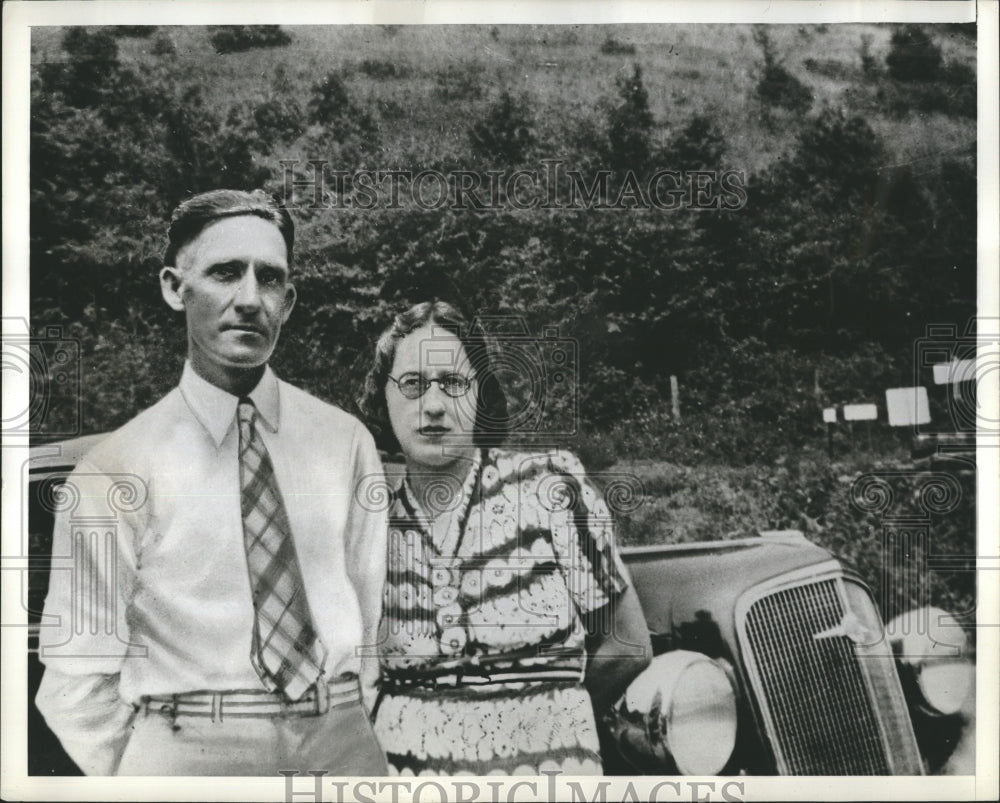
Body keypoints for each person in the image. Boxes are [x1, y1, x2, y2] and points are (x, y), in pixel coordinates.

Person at [35, 189, 388, 776]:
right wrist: (156, 767)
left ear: (290, 299)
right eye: (226, 272)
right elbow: (75, 681)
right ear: (176, 287)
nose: (250, 299)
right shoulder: (113, 469)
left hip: (342, 746)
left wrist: (341, 724)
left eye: (269, 279)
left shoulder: (344, 442)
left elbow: (372, 627)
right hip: (188, 748)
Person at [358, 300, 652, 775]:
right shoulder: (369, 523)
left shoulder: (550, 488)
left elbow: (628, 645)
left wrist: (546, 719)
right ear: (382, 397)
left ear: (481, 394)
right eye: (412, 384)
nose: (433, 404)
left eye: (453, 383)